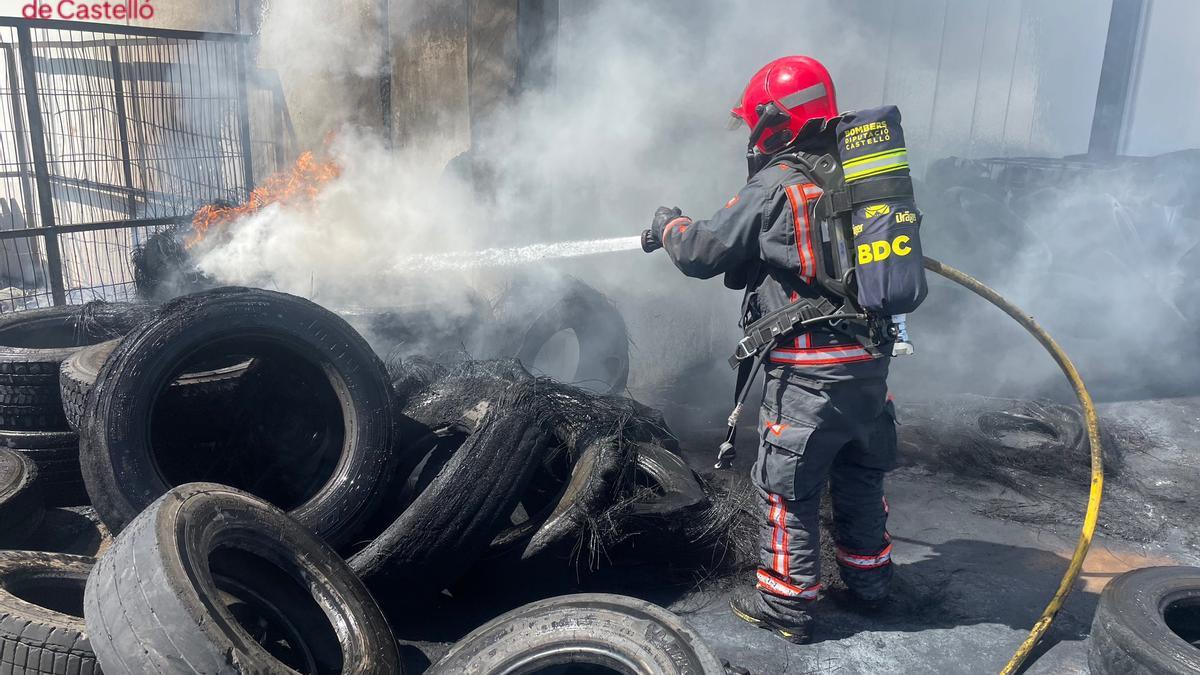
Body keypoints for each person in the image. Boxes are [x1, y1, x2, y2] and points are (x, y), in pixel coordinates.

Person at [644, 56, 902, 644]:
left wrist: (669, 226)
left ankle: (786, 609)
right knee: (862, 477)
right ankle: (871, 588)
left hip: (808, 377)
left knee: (788, 489)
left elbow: (704, 252)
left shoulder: (779, 183)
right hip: (871, 369)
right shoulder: (862, 178)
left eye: (751, 123)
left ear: (773, 119)